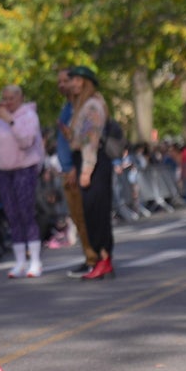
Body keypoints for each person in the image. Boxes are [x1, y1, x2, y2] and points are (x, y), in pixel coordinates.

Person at [0, 85, 44, 278]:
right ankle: (20, 261)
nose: (6, 102)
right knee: (12, 215)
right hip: (4, 172)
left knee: (27, 213)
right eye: (4, 98)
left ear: (20, 98)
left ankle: (35, 260)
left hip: (25, 169)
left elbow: (26, 141)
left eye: (11, 98)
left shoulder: (29, 116)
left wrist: (10, 120)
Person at [66, 66, 116, 280]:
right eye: (72, 80)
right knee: (92, 211)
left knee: (96, 212)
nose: (73, 84)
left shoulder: (92, 105)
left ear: (87, 83)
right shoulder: (83, 105)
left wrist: (86, 170)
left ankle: (103, 259)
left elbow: (90, 140)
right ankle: (103, 259)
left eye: (78, 80)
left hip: (93, 162)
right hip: (88, 160)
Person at [56, 67, 98, 275]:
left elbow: (84, 140)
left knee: (86, 216)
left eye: (67, 80)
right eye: (61, 82)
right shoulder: (67, 107)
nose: (63, 85)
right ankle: (89, 256)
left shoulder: (83, 106)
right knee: (78, 218)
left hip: (77, 167)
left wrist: (74, 167)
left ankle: (94, 258)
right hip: (67, 168)